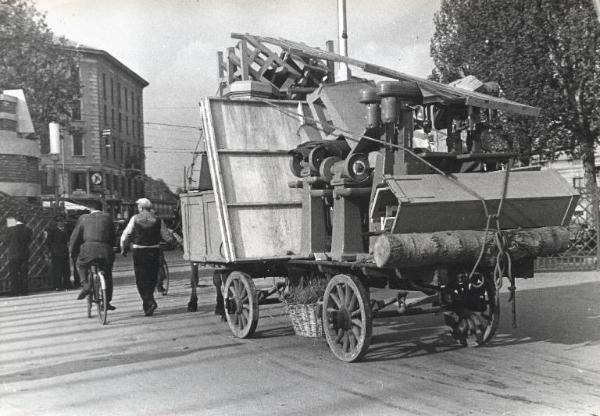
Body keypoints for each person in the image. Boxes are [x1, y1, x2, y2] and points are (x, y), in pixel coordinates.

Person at [120, 198, 174, 316]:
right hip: (154, 251)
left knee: (141, 279)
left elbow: (126, 234)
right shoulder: (158, 220)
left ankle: (149, 301)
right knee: (152, 278)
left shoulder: (135, 218)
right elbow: (166, 236)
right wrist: (170, 241)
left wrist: (122, 246)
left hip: (139, 251)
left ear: (140, 207)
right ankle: (148, 303)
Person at [69, 202, 116, 310]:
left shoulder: (84, 218)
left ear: (90, 209)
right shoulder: (108, 217)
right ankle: (106, 302)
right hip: (105, 250)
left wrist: (72, 251)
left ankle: (85, 285)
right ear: (102, 209)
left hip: (88, 249)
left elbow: (75, 237)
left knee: (81, 265)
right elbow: (113, 236)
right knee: (107, 274)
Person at [4, 215, 32, 296]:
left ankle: (15, 291)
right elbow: (29, 240)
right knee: (24, 273)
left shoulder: (10, 229)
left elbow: (6, 239)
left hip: (13, 254)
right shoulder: (28, 229)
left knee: (14, 273)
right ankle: (24, 291)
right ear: (23, 221)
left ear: (15, 220)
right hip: (24, 253)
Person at [43, 216, 71, 290]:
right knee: (57, 269)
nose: (61, 223)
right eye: (59, 221)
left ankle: (66, 284)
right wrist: (50, 250)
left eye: (62, 221)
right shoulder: (52, 231)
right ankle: (58, 285)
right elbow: (48, 242)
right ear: (57, 223)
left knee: (65, 269)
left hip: (64, 252)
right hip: (56, 252)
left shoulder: (65, 230)